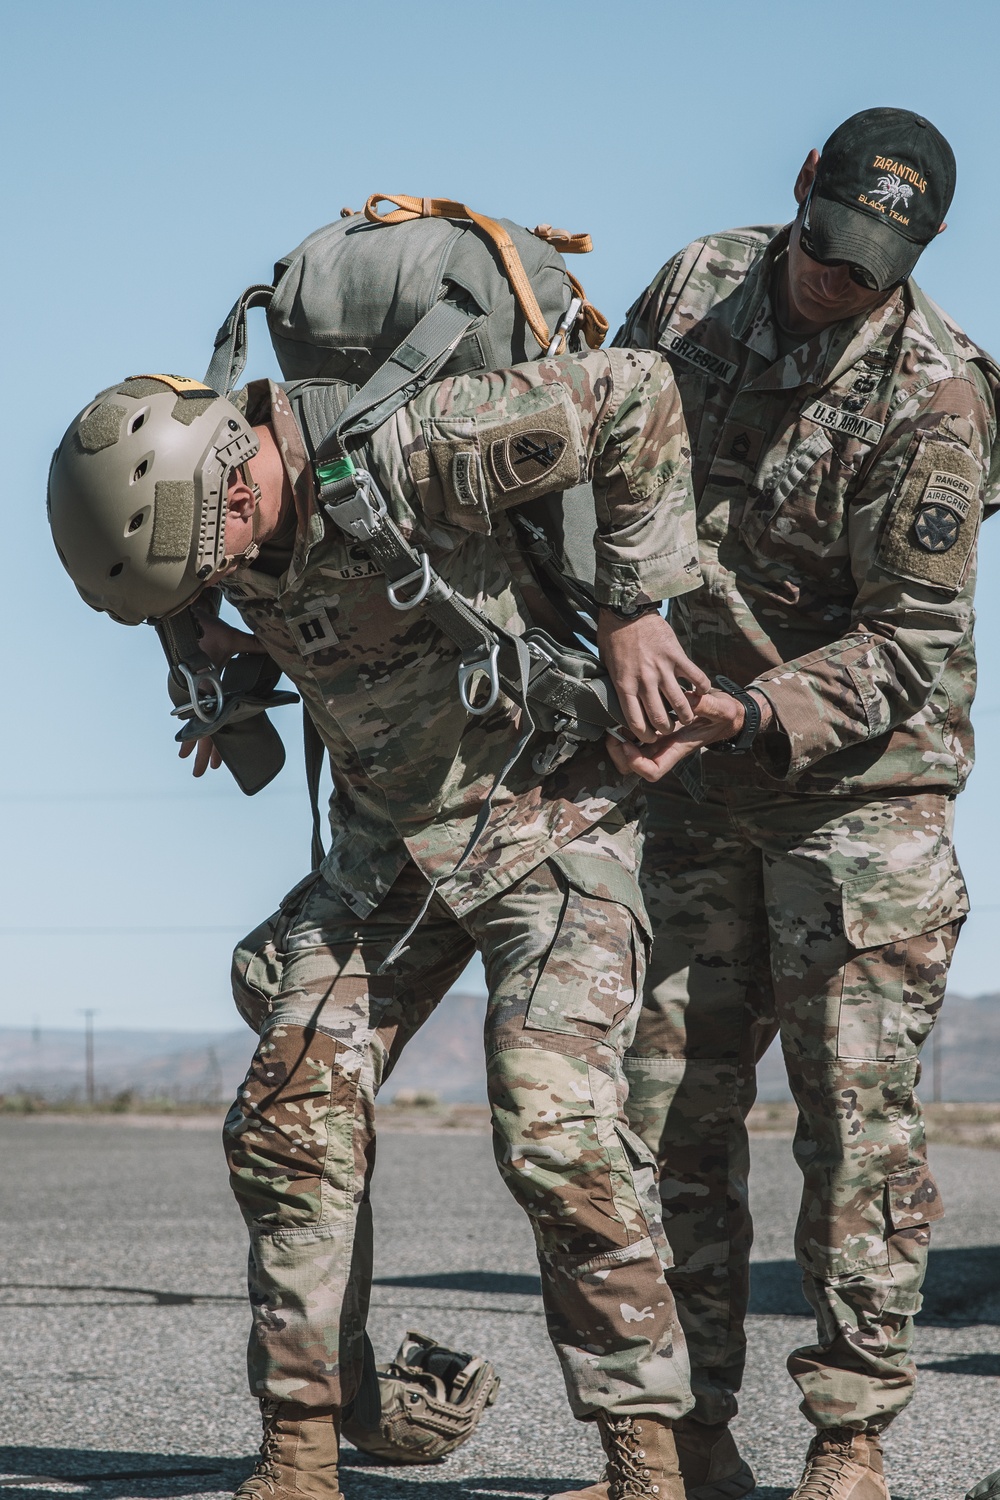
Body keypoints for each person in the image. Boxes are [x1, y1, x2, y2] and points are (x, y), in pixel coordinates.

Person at [48, 349, 740, 1500]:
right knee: (285, 1117)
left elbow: (639, 393)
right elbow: (179, 585)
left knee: (554, 1128)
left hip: (547, 817)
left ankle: (644, 1469)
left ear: (230, 484)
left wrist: (634, 608)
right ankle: (303, 1456)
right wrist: (208, 657)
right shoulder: (195, 515)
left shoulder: (420, 449)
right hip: (391, 853)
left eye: (201, 573)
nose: (205, 592)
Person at [555, 108, 1000, 1500]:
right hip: (697, 776)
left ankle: (849, 1447)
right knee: (667, 1107)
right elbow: (606, 460)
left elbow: (910, 641)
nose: (832, 279)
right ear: (800, 188)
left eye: (868, 269)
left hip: (861, 795)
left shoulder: (936, 396)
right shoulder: (693, 285)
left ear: (915, 256)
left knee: (853, 1124)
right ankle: (690, 1443)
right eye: (823, 246)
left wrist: (753, 711)